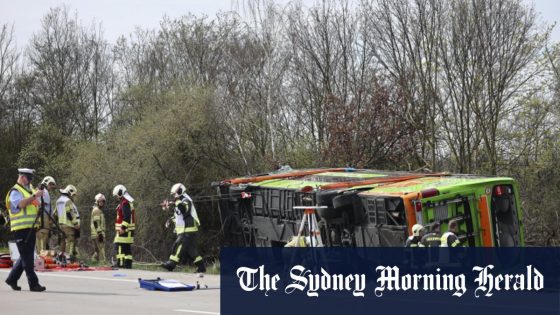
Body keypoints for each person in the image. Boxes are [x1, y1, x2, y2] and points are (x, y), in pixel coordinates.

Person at [4, 168, 46, 292]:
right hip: (20, 229)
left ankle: (12, 279)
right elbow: (21, 204)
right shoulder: (15, 191)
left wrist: (37, 198)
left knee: (25, 256)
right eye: (29, 178)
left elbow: (34, 202)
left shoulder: (28, 189)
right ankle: (34, 284)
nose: (30, 181)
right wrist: (34, 196)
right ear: (22, 177)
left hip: (30, 228)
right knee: (28, 259)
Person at [160, 183, 206, 276]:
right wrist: (169, 220)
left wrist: (176, 201)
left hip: (188, 229)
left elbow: (184, 211)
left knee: (178, 245)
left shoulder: (186, 200)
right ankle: (201, 267)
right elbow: (178, 215)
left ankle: (171, 264)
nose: (173, 196)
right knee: (191, 250)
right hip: (184, 230)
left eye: (174, 194)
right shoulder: (180, 201)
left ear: (180, 191)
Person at [112, 185, 135, 269]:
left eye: (117, 195)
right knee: (127, 248)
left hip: (125, 230)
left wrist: (123, 228)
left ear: (120, 193)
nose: (117, 197)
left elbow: (127, 217)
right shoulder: (125, 202)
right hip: (128, 230)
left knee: (119, 246)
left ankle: (120, 263)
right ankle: (128, 264)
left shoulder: (125, 203)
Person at [56, 185, 80, 261]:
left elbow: (55, 214)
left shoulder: (58, 200)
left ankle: (61, 257)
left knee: (62, 241)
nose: (74, 197)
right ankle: (68, 258)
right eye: (73, 195)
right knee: (70, 241)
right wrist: (76, 224)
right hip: (69, 225)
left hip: (61, 225)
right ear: (70, 193)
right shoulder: (68, 201)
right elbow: (69, 213)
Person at [36, 176, 56, 253]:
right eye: (51, 185)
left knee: (40, 239)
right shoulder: (44, 191)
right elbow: (44, 206)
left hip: (40, 217)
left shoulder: (39, 190)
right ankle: (41, 259)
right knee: (43, 237)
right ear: (47, 183)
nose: (51, 188)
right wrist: (50, 218)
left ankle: (39, 256)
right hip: (43, 218)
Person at [90, 193, 106, 262]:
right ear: (97, 202)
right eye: (100, 201)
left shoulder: (98, 210)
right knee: (101, 250)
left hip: (95, 234)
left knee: (97, 251)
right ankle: (103, 263)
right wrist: (100, 234)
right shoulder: (97, 210)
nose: (101, 203)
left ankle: (94, 262)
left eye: (102, 201)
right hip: (97, 234)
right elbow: (96, 223)